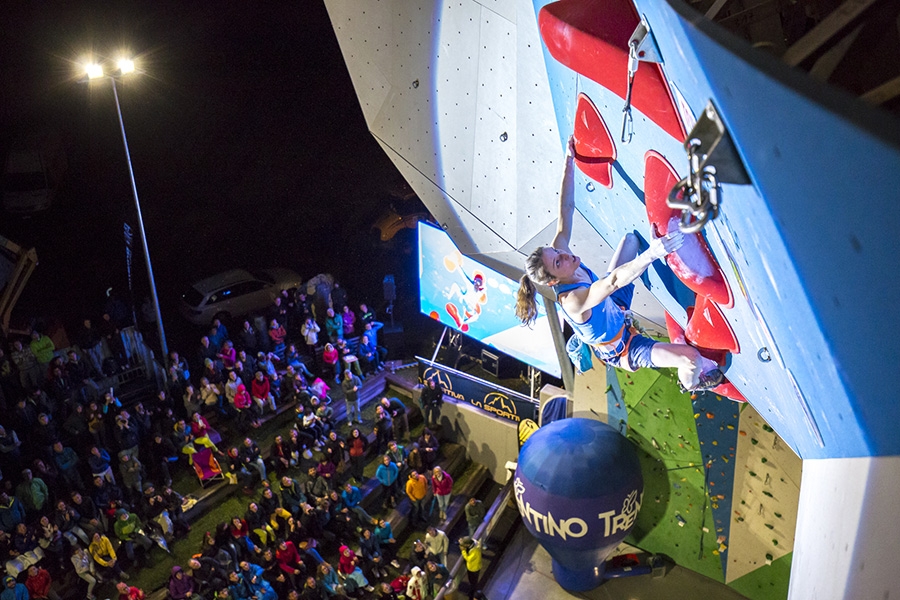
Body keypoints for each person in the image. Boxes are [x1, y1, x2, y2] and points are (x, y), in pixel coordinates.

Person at [515, 138, 724, 391]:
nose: (565, 253)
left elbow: (566, 209)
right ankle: (692, 384)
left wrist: (568, 162)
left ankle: (642, 265)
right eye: (558, 260)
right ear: (553, 281)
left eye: (558, 250)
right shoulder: (573, 301)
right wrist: (653, 254)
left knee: (630, 241)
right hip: (624, 346)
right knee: (690, 359)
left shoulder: (561, 256)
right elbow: (612, 281)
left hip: (614, 307)